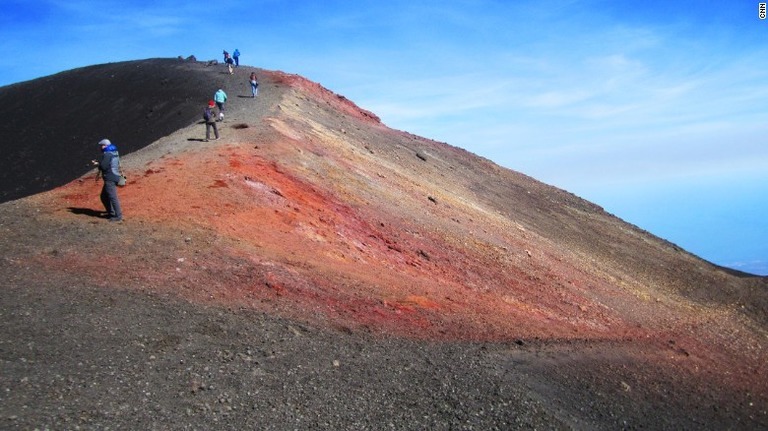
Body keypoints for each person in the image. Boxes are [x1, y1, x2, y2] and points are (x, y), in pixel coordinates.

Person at [92, 139, 123, 222]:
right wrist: (100, 163)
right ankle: (112, 212)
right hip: (114, 177)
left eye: (102, 145)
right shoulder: (114, 153)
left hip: (110, 178)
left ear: (106, 146)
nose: (101, 147)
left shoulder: (107, 154)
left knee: (112, 197)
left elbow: (103, 167)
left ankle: (118, 216)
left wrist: (97, 164)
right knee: (104, 196)